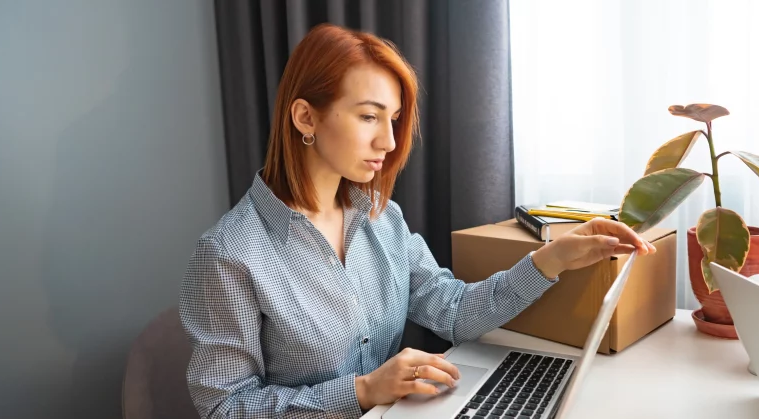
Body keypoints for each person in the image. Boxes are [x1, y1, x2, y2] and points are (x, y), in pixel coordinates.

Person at [179, 23, 655, 419]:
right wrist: (363, 391)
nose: (388, 142)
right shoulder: (230, 253)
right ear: (305, 117)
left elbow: (454, 311)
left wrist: (553, 258)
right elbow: (226, 408)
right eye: (370, 117)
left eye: (395, 120)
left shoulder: (382, 219)